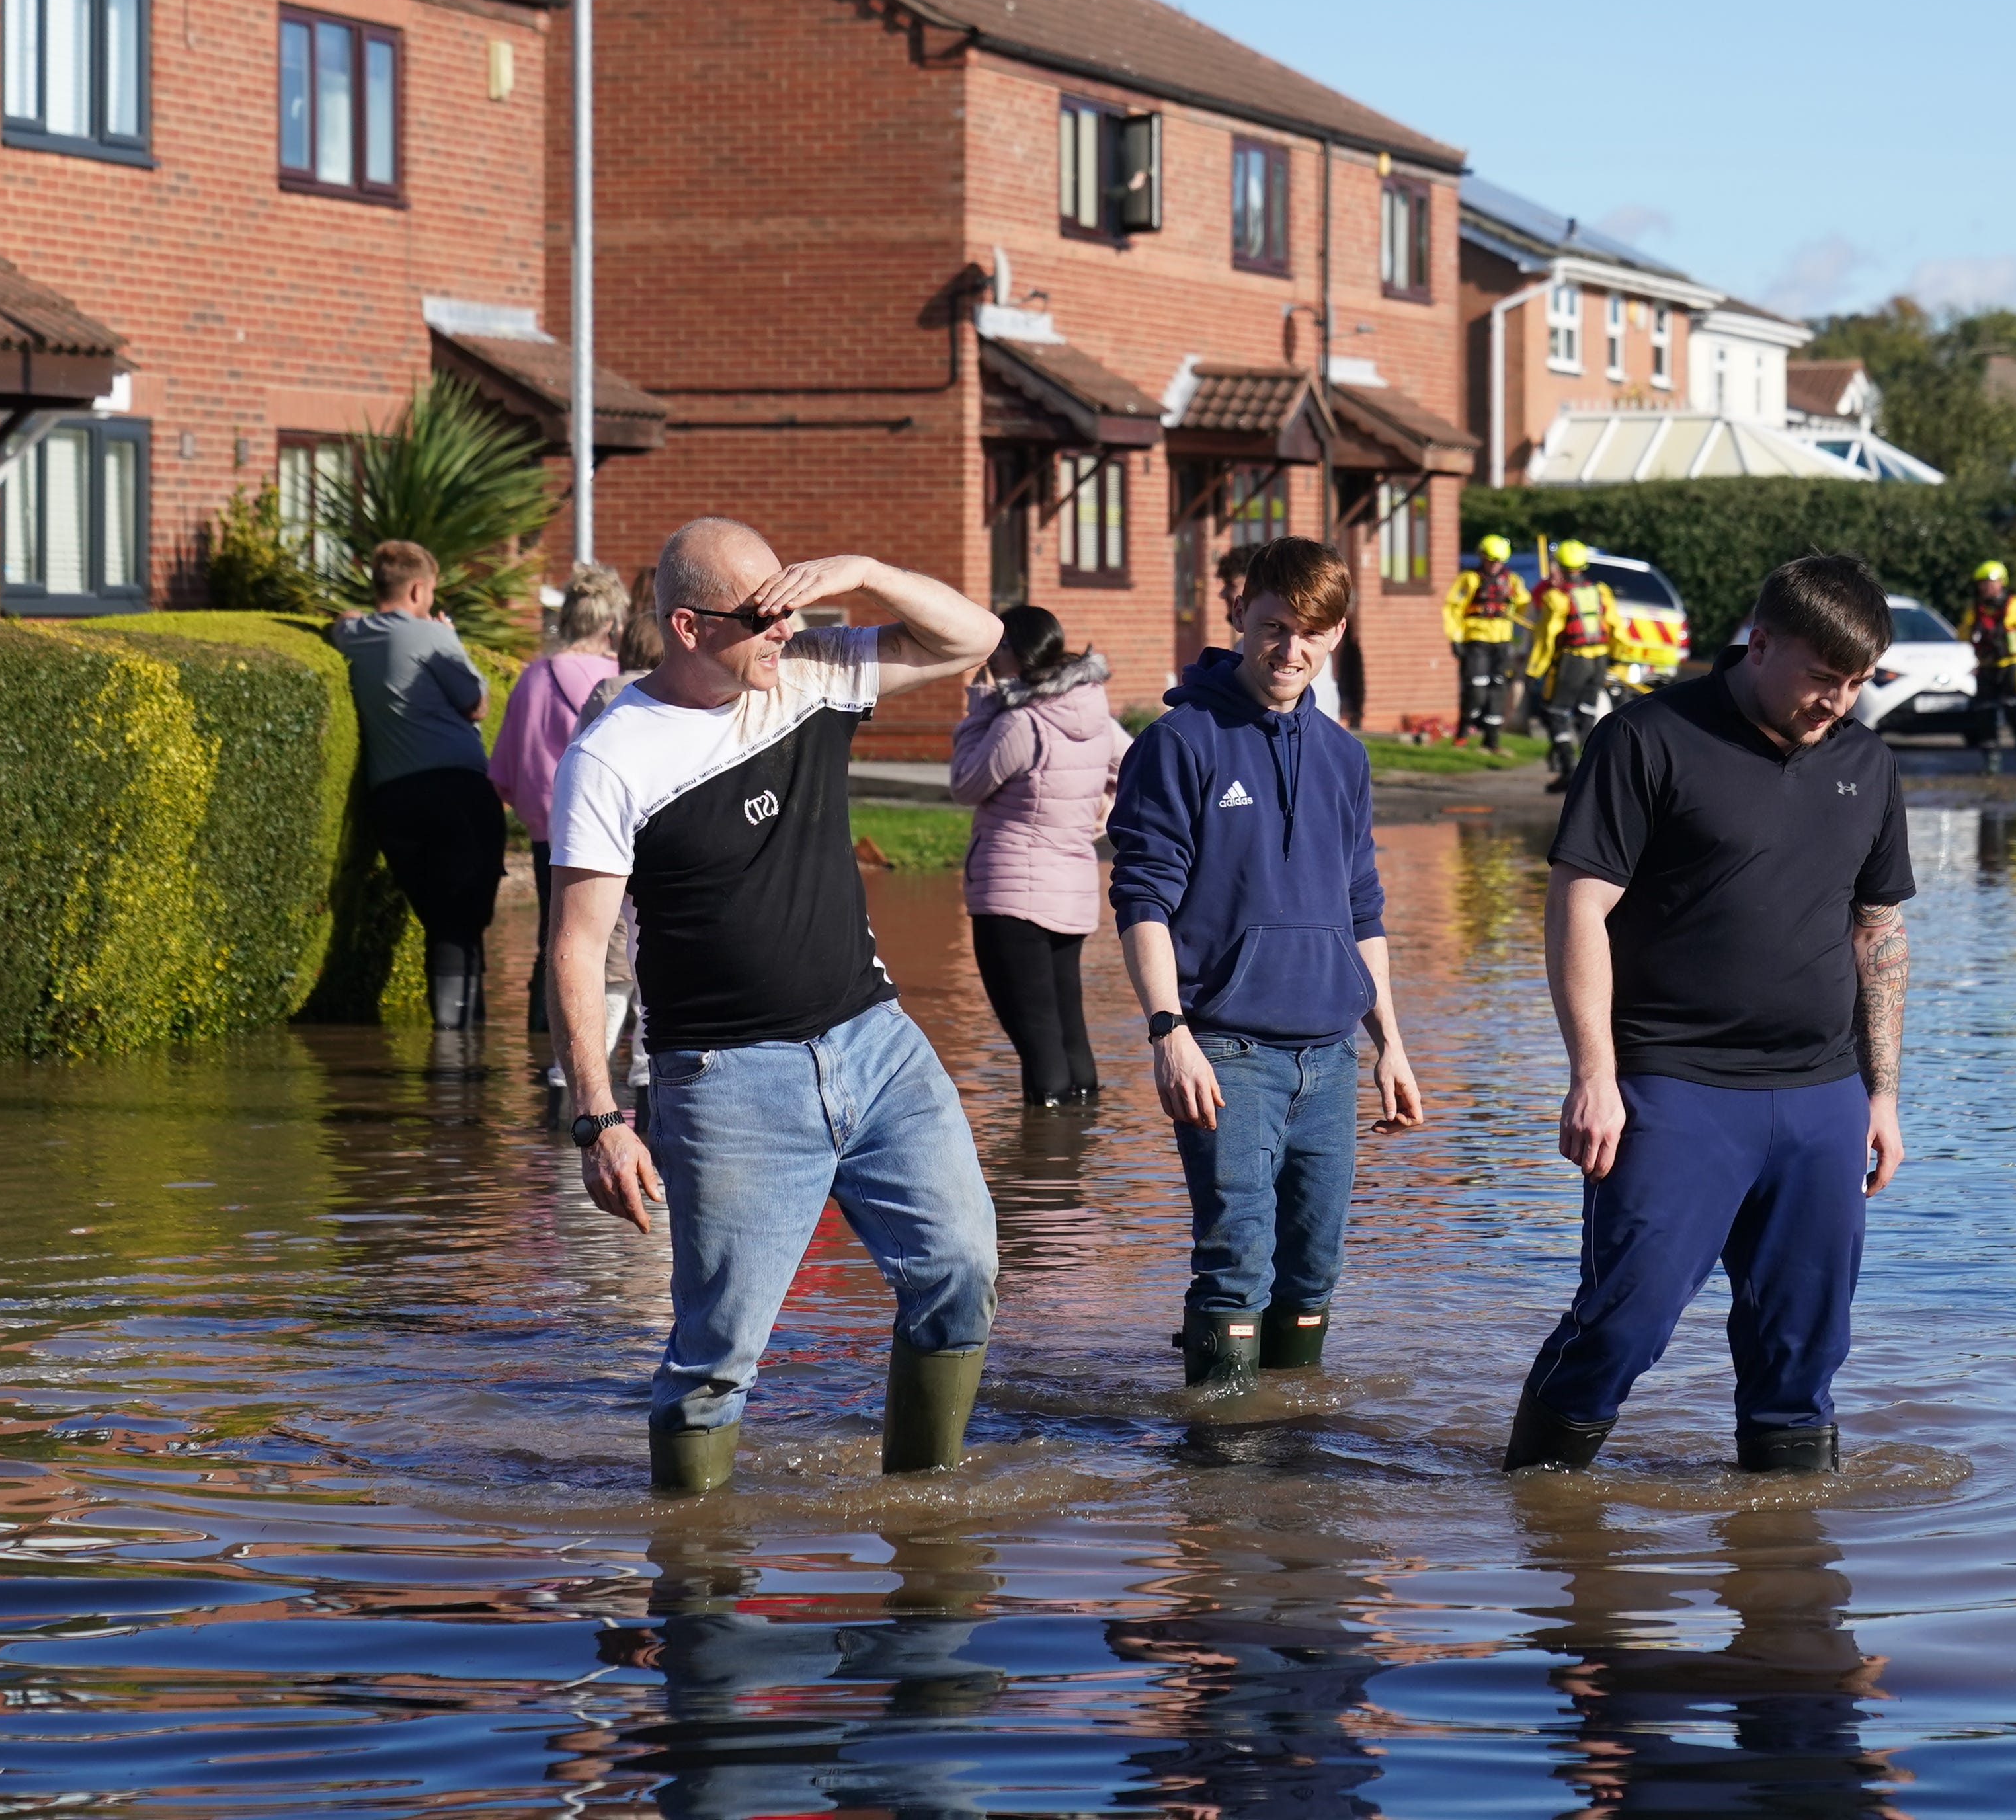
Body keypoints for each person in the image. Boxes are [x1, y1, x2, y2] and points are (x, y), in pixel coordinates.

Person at [543, 518, 1006, 1492]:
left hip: (877, 1045)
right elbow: (576, 951)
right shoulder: (613, 756)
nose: (785, 629)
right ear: (686, 626)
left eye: (791, 606)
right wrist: (598, 1121)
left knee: (960, 1270)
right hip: (724, 1082)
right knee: (719, 1357)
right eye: (762, 616)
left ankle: (923, 1517)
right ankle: (695, 1582)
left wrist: (870, 563)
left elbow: (976, 639)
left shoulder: (813, 673)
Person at [1505, 555, 1915, 1475]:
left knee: (1803, 1352)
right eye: (1821, 678)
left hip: (1820, 1099)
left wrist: (1881, 1096)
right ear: (1759, 643)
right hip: (1672, 1086)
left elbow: (1878, 932)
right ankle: (1538, 1512)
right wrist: (1593, 1075)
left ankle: (1788, 1582)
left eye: (1856, 684)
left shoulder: (1865, 762)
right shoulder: (1647, 739)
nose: (1837, 704)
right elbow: (1578, 909)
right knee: (1627, 1321)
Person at [1110, 537, 1428, 1391]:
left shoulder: (1344, 756)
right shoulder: (1181, 742)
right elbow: (1142, 899)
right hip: (1227, 1055)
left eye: (1312, 632)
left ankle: (1293, 1458)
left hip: (1331, 1056)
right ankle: (1220, 1464)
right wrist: (1169, 1032)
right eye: (1273, 627)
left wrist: (1389, 1044)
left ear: (1338, 635)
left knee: (1315, 1272)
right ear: (1240, 618)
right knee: (1236, 1260)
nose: (1291, 650)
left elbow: (1363, 907)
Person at [951, 604, 1133, 1107]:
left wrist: (982, 703)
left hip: (1011, 894)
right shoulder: (1092, 710)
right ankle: (1079, 1154)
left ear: (1011, 652)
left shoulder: (1021, 724)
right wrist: (1108, 801)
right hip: (1071, 896)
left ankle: (1046, 1167)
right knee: (1069, 1034)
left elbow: (966, 783)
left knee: (1038, 1044)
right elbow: (1136, 764)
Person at [329, 539, 505, 1031]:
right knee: (464, 921)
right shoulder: (433, 636)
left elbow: (340, 620)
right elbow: (476, 704)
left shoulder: (354, 635)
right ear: (417, 588)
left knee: (442, 920)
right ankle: (459, 1052)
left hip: (394, 799)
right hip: (458, 792)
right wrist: (449, 639)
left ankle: (455, 1048)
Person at [495, 563, 631, 1055]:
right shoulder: (620, 681)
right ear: (612, 623)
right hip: (605, 830)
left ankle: (544, 1065)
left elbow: (505, 771)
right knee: (615, 949)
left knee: (552, 943)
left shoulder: (532, 677)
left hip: (547, 831)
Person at [1527, 539, 1625, 789]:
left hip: (1573, 660)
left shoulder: (1557, 598)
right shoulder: (1600, 591)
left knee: (1556, 713)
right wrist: (1617, 657)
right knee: (1586, 714)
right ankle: (1590, 772)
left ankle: (1570, 771)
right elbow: (1616, 626)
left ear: (1559, 565)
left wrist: (1534, 670)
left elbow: (1546, 636)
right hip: (1599, 660)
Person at [1217, 541, 1342, 717]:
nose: (1291, 654)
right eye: (1275, 627)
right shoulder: (1188, 734)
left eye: (1230, 583)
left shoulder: (1306, 655)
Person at [1443, 534, 1530, 750]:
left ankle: (1492, 741)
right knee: (1476, 689)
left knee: (1498, 689)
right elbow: (1453, 609)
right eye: (1491, 560)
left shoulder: (1512, 581)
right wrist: (1455, 638)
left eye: (1499, 561)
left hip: (1502, 641)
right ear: (1482, 558)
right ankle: (1463, 732)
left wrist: (1516, 602)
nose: (1495, 565)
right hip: (1476, 640)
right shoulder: (1469, 580)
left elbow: (1525, 604)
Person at [1962, 561, 2016, 776]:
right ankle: (1992, 762)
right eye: (1982, 583)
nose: (1986, 588)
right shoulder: (1975, 610)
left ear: (2002, 583)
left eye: (1990, 583)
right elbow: (1962, 635)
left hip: (2012, 667)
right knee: (1985, 715)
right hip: (1986, 668)